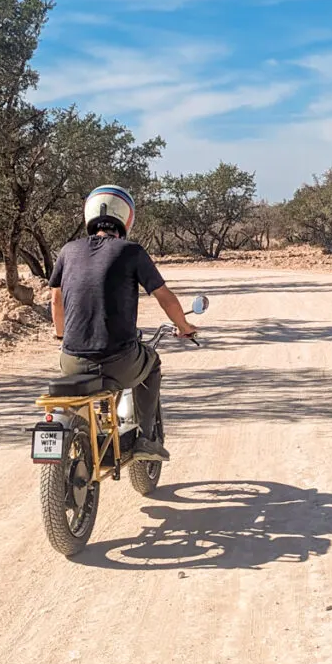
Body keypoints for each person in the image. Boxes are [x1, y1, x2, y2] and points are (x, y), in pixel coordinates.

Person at [48, 185, 197, 462]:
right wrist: (184, 326)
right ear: (126, 218)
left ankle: (84, 434)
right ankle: (147, 439)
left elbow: (56, 300)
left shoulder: (68, 251)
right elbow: (164, 296)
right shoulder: (131, 251)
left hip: (70, 361)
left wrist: (61, 337)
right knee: (152, 363)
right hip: (118, 361)